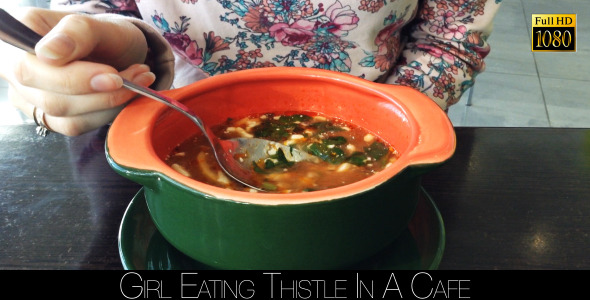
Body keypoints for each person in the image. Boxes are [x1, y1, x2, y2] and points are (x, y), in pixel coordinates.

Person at [1, 0, 502, 136]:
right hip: (156, 117)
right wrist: (93, 53)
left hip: (375, 128)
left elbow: (450, 38)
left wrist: (379, 135)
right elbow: (101, 9)